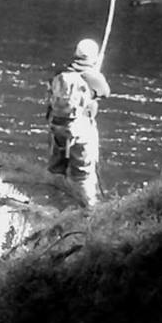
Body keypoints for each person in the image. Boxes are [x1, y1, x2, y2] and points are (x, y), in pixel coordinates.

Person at [45, 38, 110, 206]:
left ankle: (55, 206)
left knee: (56, 170)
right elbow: (105, 92)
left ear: (76, 54)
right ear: (93, 58)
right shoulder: (92, 76)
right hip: (80, 132)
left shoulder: (60, 73)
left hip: (57, 129)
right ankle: (88, 211)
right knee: (83, 175)